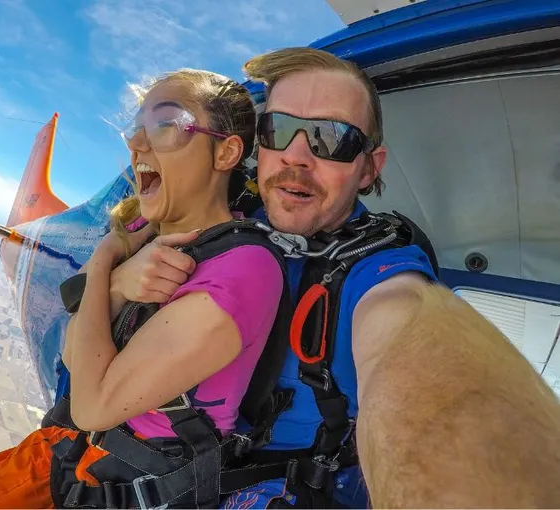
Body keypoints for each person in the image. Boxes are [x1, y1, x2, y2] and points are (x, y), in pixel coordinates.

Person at [108, 47, 560, 508]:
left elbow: (414, 344)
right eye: (278, 129)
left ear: (369, 167)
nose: (297, 157)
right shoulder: (212, 213)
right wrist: (118, 283)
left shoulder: (378, 268)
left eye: (333, 138)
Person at [0, 69, 289, 508]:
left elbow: (93, 405)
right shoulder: (145, 238)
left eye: (166, 126)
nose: (137, 144)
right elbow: (71, 358)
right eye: (137, 128)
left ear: (226, 152)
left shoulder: (245, 266)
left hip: (118, 487)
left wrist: (102, 263)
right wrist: (118, 280)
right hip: (76, 468)